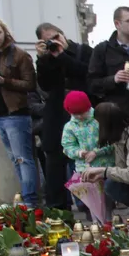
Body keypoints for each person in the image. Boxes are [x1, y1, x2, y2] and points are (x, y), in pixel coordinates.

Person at [0, 15, 38, 206]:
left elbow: (30, 84)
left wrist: (5, 81)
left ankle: (31, 202)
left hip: (16, 113)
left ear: (5, 33)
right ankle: (28, 197)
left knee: (23, 159)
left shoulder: (19, 54)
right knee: (15, 159)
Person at [35, 22, 92, 210]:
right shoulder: (46, 58)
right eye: (48, 40)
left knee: (85, 158)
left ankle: (89, 205)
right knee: (54, 161)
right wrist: (43, 59)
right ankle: (58, 210)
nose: (54, 42)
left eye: (56, 37)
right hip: (57, 114)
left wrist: (62, 55)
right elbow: (44, 85)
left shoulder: (83, 51)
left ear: (63, 34)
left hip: (83, 114)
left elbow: (86, 73)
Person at [60, 90, 114, 174]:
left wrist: (96, 152)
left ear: (88, 108)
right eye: (75, 114)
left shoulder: (99, 119)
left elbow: (112, 141)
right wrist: (79, 153)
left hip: (106, 166)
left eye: (82, 112)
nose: (79, 116)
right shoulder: (70, 127)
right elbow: (67, 146)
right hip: (84, 169)